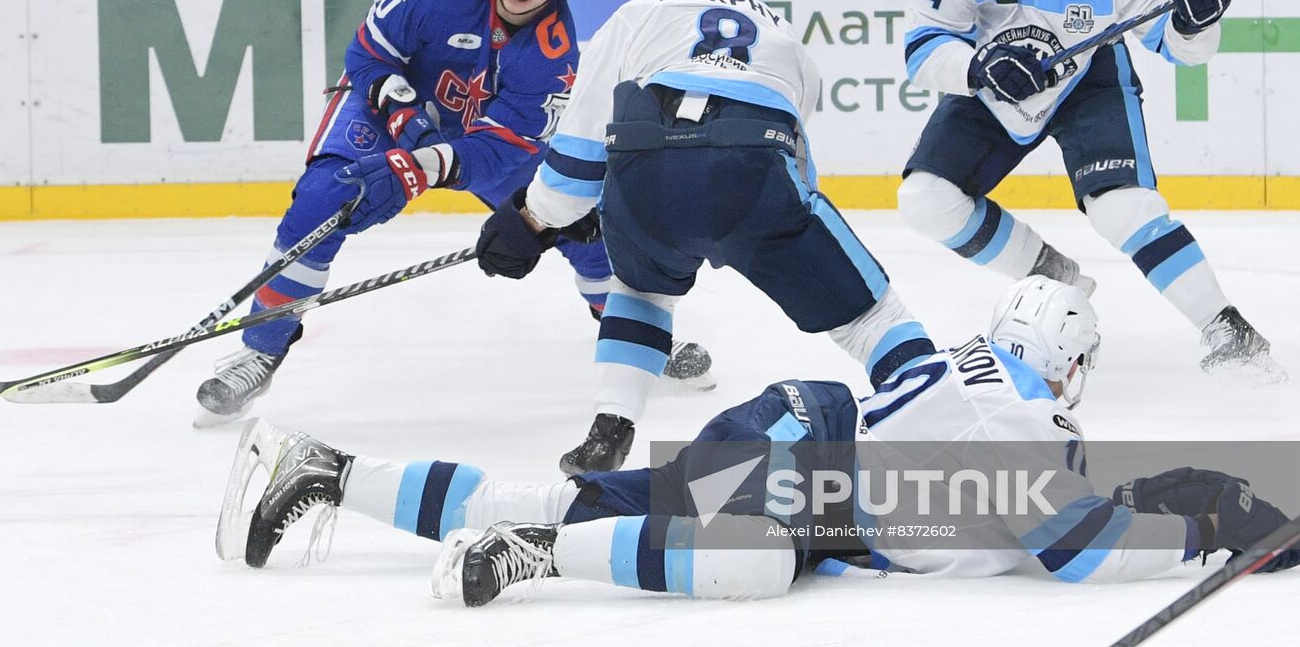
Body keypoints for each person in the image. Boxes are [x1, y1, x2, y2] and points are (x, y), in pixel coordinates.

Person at [214, 277, 1299, 607]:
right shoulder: (1005, 417)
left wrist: (1182, 497)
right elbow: (1072, 547)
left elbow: (1035, 507)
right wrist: (1202, 536)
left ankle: (323, 469)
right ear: (1065, 363)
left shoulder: (983, 389)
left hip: (799, 436)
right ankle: (531, 561)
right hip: (805, 454)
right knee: (752, 559)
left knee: (567, 499)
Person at [193, 0, 706, 427]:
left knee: (583, 225)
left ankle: (638, 336)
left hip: (478, 142)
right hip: (384, 107)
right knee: (323, 199)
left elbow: (499, 148)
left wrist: (422, 167)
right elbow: (369, 52)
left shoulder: (555, 56)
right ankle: (260, 349)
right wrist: (400, 116)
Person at [469, 0, 939, 475]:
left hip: (646, 181)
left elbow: (579, 151)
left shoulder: (639, 12)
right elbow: (793, 163)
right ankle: (940, 417)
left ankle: (609, 430)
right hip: (755, 176)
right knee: (871, 316)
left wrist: (533, 221)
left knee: (640, 290)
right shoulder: (791, 43)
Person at [896, 0, 1286, 384]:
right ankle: (1053, 275)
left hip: (1088, 81)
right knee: (924, 200)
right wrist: (978, 66)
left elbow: (1180, 47)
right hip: (996, 85)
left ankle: (1227, 329)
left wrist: (1196, 20)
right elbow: (922, 43)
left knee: (1121, 206)